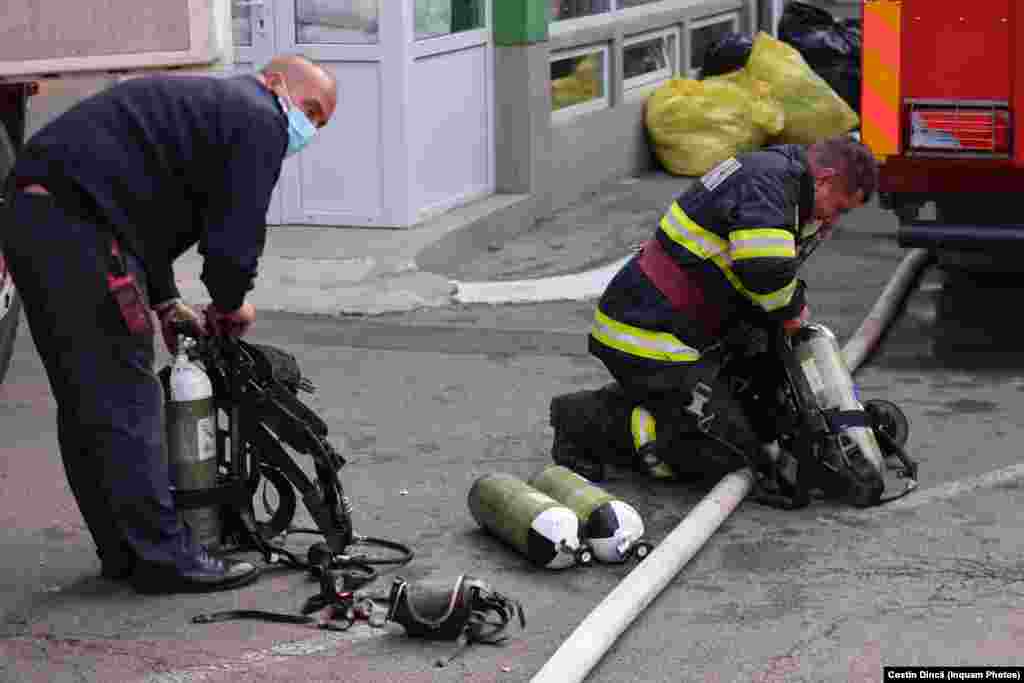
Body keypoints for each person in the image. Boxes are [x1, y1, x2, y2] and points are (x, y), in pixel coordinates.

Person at [1, 54, 337, 593]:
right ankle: (164, 557)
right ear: (274, 83)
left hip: (37, 218)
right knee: (126, 396)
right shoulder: (258, 116)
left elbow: (145, 220)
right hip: (78, 229)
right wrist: (230, 305)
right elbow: (234, 242)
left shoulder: (204, 112)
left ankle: (125, 551)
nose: (307, 128)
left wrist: (166, 302)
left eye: (320, 124)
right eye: (311, 110)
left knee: (89, 399)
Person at [551, 137, 878, 491]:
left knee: (759, 417)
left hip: (693, 329)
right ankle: (582, 422)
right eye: (840, 208)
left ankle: (657, 405)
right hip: (648, 337)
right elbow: (765, 273)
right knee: (727, 452)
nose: (835, 219)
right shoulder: (768, 185)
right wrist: (795, 311)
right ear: (824, 179)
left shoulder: (784, 183)